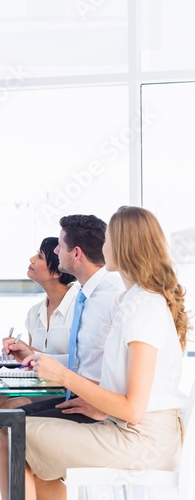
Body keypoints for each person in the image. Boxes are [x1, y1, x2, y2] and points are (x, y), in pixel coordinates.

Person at [17, 206, 189, 500]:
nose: (103, 247)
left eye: (108, 239)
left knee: (13, 434)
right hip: (126, 428)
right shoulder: (132, 300)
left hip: (142, 441)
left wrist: (63, 376)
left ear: (123, 248)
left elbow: (134, 409)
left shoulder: (144, 308)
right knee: (16, 429)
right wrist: (100, 403)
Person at [0, 213, 124, 497]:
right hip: (79, 396)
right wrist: (35, 356)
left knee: (7, 433)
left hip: (98, 406)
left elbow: (128, 366)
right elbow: (81, 362)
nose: (55, 251)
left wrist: (104, 405)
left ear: (76, 253)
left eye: (59, 245)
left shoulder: (112, 297)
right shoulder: (89, 294)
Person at [0, 236, 77, 500]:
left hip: (68, 390)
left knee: (8, 411)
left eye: (39, 256)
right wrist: (25, 354)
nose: (32, 260)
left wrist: (34, 355)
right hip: (43, 387)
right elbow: (39, 360)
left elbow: (81, 360)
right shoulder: (35, 312)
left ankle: (27, 481)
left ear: (56, 270)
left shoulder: (79, 304)